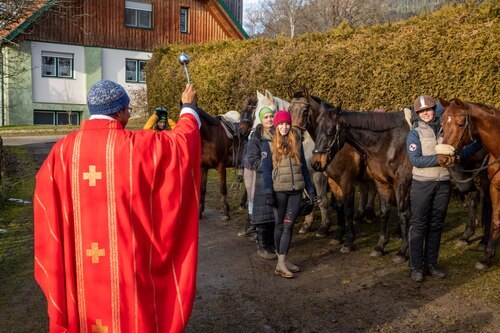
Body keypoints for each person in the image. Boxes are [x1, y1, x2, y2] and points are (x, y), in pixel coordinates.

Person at [34, 80, 202, 332]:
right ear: (120, 111)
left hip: (80, 272)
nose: (129, 115)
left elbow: (46, 203)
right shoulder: (137, 146)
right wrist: (188, 107)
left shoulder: (62, 152)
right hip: (127, 268)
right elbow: (180, 145)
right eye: (129, 110)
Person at [263, 110, 317, 278]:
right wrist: (268, 192)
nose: (285, 127)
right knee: (280, 225)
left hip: (296, 191)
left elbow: (303, 168)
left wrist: (310, 188)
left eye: (287, 124)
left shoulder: (296, 141)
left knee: (288, 225)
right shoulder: (269, 143)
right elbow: (266, 171)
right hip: (279, 191)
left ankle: (281, 262)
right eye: (281, 124)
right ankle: (281, 262)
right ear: (277, 125)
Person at [406, 95, 454, 283]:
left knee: (436, 225)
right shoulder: (414, 134)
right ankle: (416, 267)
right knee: (419, 225)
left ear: (434, 110)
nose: (426, 113)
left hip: (443, 183)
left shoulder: (445, 130)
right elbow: (415, 159)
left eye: (429, 109)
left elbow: (455, 151)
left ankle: (431, 263)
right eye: (422, 111)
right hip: (422, 185)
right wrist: (439, 159)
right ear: (418, 114)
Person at [245, 107, 277, 260]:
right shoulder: (256, 138)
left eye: (271, 116)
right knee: (263, 213)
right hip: (262, 179)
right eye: (266, 117)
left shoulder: (279, 134)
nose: (269, 119)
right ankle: (262, 246)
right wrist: (268, 166)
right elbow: (252, 160)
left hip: (277, 179)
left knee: (274, 213)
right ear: (261, 119)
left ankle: (272, 244)